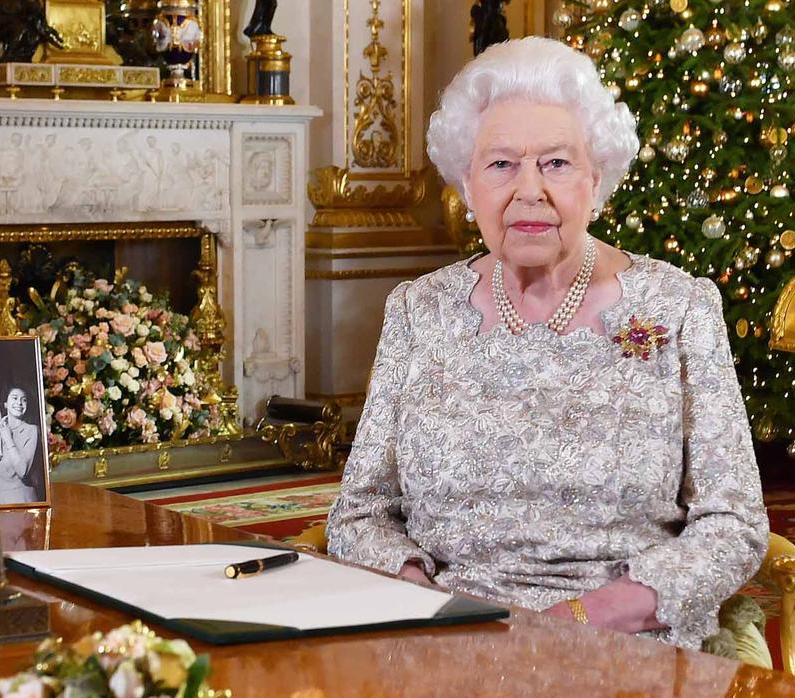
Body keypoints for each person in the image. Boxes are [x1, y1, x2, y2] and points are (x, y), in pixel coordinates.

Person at [327, 37, 769, 651]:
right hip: (452, 633)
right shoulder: (417, 311)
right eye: (501, 164)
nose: (529, 190)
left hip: (625, 640)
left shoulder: (680, 307)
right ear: (466, 183)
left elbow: (734, 524)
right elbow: (360, 513)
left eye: (556, 164)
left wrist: (589, 618)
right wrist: (417, 596)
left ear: (596, 177)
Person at [0, 387, 40, 504]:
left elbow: (22, 471)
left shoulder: (31, 430)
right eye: (15, 398)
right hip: (0, 500)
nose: (19, 403)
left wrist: (8, 439)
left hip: (23, 498)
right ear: (5, 403)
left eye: (24, 400)